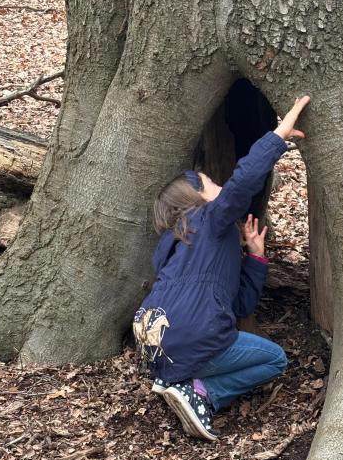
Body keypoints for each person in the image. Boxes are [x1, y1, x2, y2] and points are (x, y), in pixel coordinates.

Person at [133, 95, 311, 441]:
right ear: (197, 198)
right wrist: (278, 137)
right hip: (190, 334)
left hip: (154, 342)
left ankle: (175, 380)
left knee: (212, 346)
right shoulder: (209, 220)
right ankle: (201, 393)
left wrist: (256, 256)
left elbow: (240, 306)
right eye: (212, 184)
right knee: (274, 359)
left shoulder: (175, 246)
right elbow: (242, 184)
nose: (220, 186)